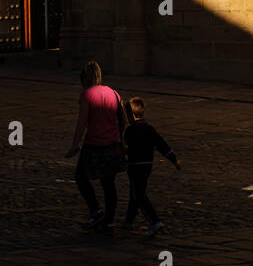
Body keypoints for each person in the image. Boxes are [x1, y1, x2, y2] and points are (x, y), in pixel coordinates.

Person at [65, 60, 127, 231]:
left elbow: (82, 122)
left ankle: (96, 211)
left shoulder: (87, 95)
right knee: (109, 183)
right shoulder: (114, 93)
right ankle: (109, 218)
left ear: (85, 78)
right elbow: (123, 120)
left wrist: (74, 145)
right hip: (112, 144)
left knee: (81, 177)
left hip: (94, 144)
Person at [122, 96, 180, 235]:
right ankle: (129, 220)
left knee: (138, 194)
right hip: (147, 165)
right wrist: (174, 160)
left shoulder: (129, 131)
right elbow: (162, 145)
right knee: (135, 192)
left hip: (135, 165)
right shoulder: (149, 129)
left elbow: (125, 148)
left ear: (130, 115)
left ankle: (154, 221)